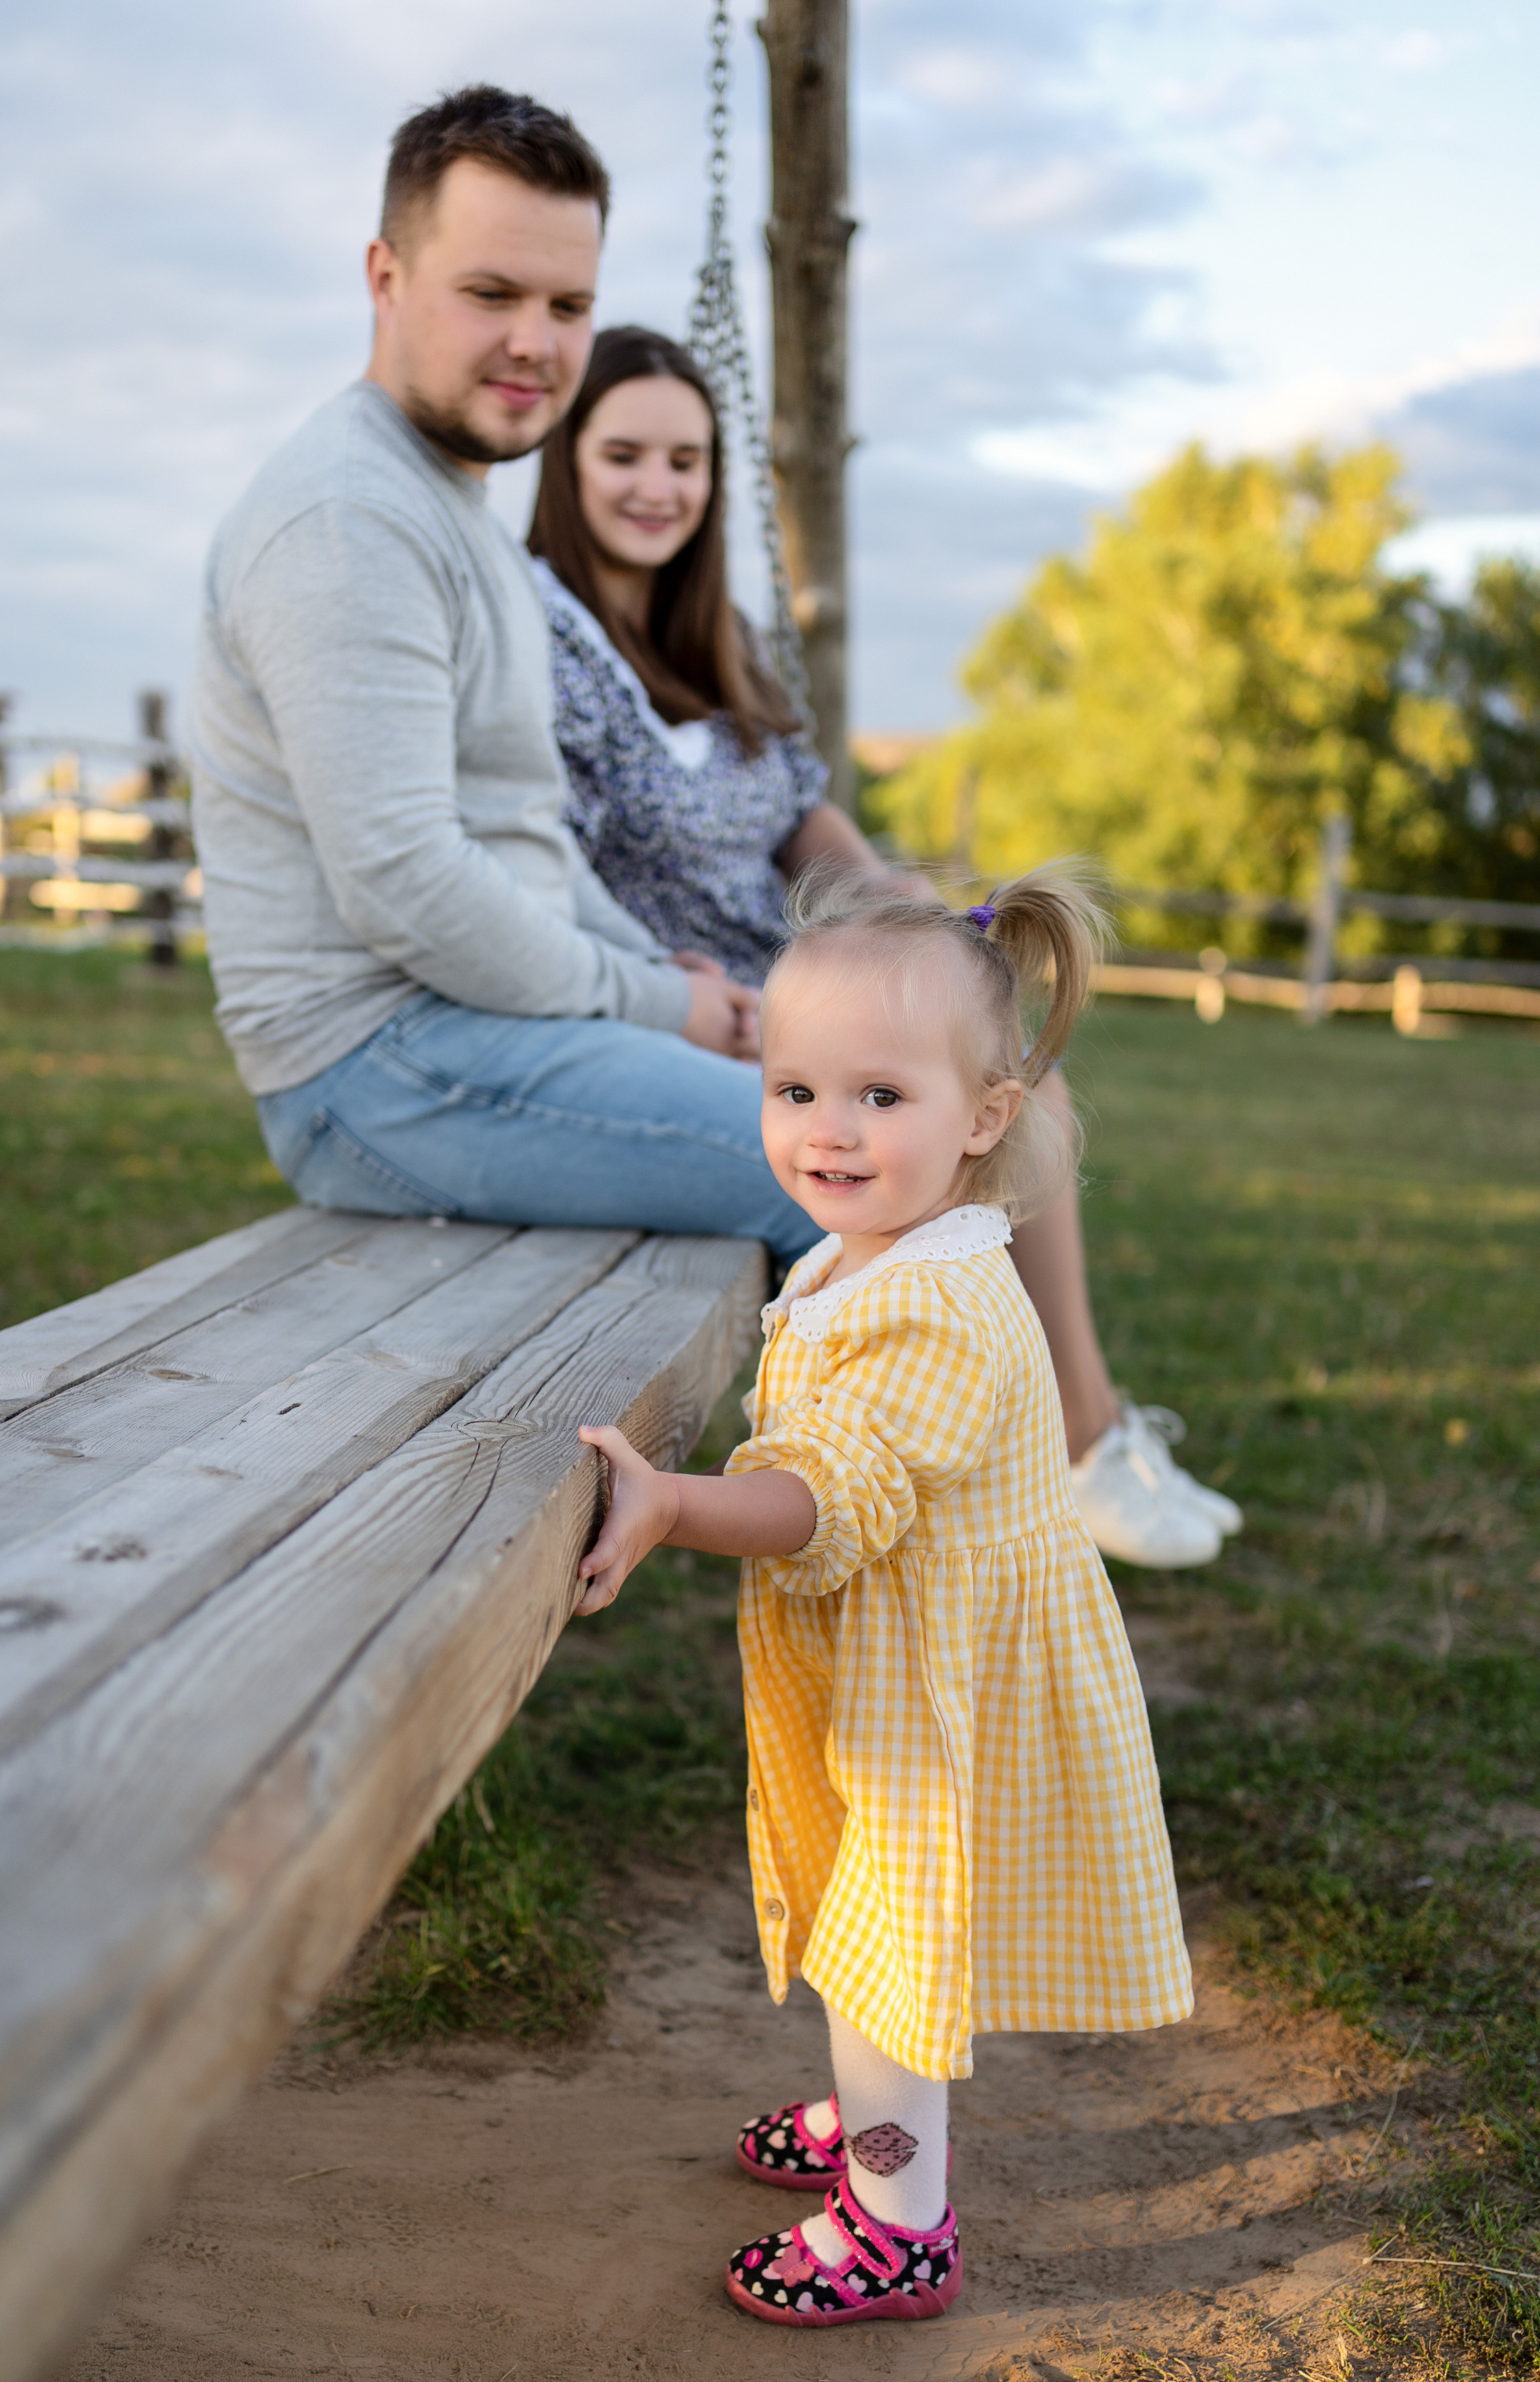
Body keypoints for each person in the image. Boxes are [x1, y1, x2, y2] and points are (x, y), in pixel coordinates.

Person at [573, 865, 1194, 2325]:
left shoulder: (934, 1303)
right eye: (794, 1090)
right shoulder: (884, 1252)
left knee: (884, 1959)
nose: (826, 1131)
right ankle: (873, 2129)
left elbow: (816, 1501)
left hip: (935, 1701)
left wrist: (667, 1503)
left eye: (877, 1098)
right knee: (874, 1936)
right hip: (910, 1662)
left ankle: (899, 2217)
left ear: (982, 1118)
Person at [528, 324, 1240, 1568]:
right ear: (566, 464)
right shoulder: (545, 642)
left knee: (1001, 1068)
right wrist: (667, 991)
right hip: (699, 998)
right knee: (930, 1110)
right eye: (624, 453)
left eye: (687, 460)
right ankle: (1062, 1441)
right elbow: (553, 858)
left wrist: (880, 890)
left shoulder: (719, 636)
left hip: (808, 965)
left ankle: (1079, 1429)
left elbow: (801, 806)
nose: (658, 486)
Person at [190, 86, 813, 1265]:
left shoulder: (456, 505)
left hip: (476, 1026)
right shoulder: (347, 518)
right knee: (836, 1168)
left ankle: (918, 1456)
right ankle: (882, 1462)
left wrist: (647, 967)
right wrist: (656, 1003)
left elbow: (518, 827)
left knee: (893, 1119)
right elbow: (407, 881)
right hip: (379, 1065)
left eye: (568, 304)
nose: (537, 341)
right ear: (385, 277)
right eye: (491, 294)